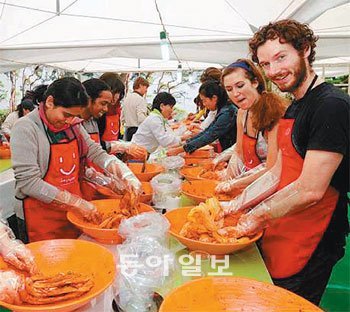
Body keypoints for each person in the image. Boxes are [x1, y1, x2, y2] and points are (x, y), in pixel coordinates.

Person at [232, 19, 349, 305]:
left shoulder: (330, 106)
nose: (274, 71)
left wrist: (256, 215)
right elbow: (277, 172)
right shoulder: (296, 103)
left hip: (314, 235)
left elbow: (310, 190)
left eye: (281, 57)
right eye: (266, 64)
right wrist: (235, 204)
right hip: (283, 224)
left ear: (305, 50)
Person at [10, 77, 141, 243]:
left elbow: (96, 153)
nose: (69, 121)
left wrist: (125, 175)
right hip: (40, 217)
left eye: (74, 116)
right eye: (66, 115)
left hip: (72, 213)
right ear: (50, 102)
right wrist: (75, 203)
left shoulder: (73, 125)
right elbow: (28, 182)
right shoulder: (26, 128)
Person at [215, 59, 288, 191]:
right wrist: (228, 178)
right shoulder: (242, 114)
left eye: (240, 85)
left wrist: (235, 184)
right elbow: (239, 153)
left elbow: (271, 168)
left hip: (273, 187)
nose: (235, 94)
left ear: (255, 82)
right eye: (229, 89)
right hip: (251, 182)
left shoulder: (274, 114)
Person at [167, 80, 237, 156]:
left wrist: (180, 149)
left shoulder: (227, 113)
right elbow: (208, 131)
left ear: (214, 98)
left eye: (204, 101)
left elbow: (210, 135)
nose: (204, 104)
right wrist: (186, 143)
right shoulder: (223, 109)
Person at [82, 78, 146, 159]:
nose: (106, 109)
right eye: (103, 103)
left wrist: (121, 152)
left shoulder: (93, 120)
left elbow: (95, 149)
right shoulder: (87, 121)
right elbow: (94, 148)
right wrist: (122, 147)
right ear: (89, 100)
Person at [98, 73, 125, 146]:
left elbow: (117, 135)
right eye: (114, 92)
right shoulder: (98, 113)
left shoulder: (117, 109)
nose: (116, 96)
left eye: (118, 92)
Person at [122, 76, 150, 141]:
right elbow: (141, 119)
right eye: (146, 87)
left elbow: (122, 118)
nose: (146, 90)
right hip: (137, 131)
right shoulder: (140, 99)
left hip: (127, 131)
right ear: (140, 85)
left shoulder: (127, 98)